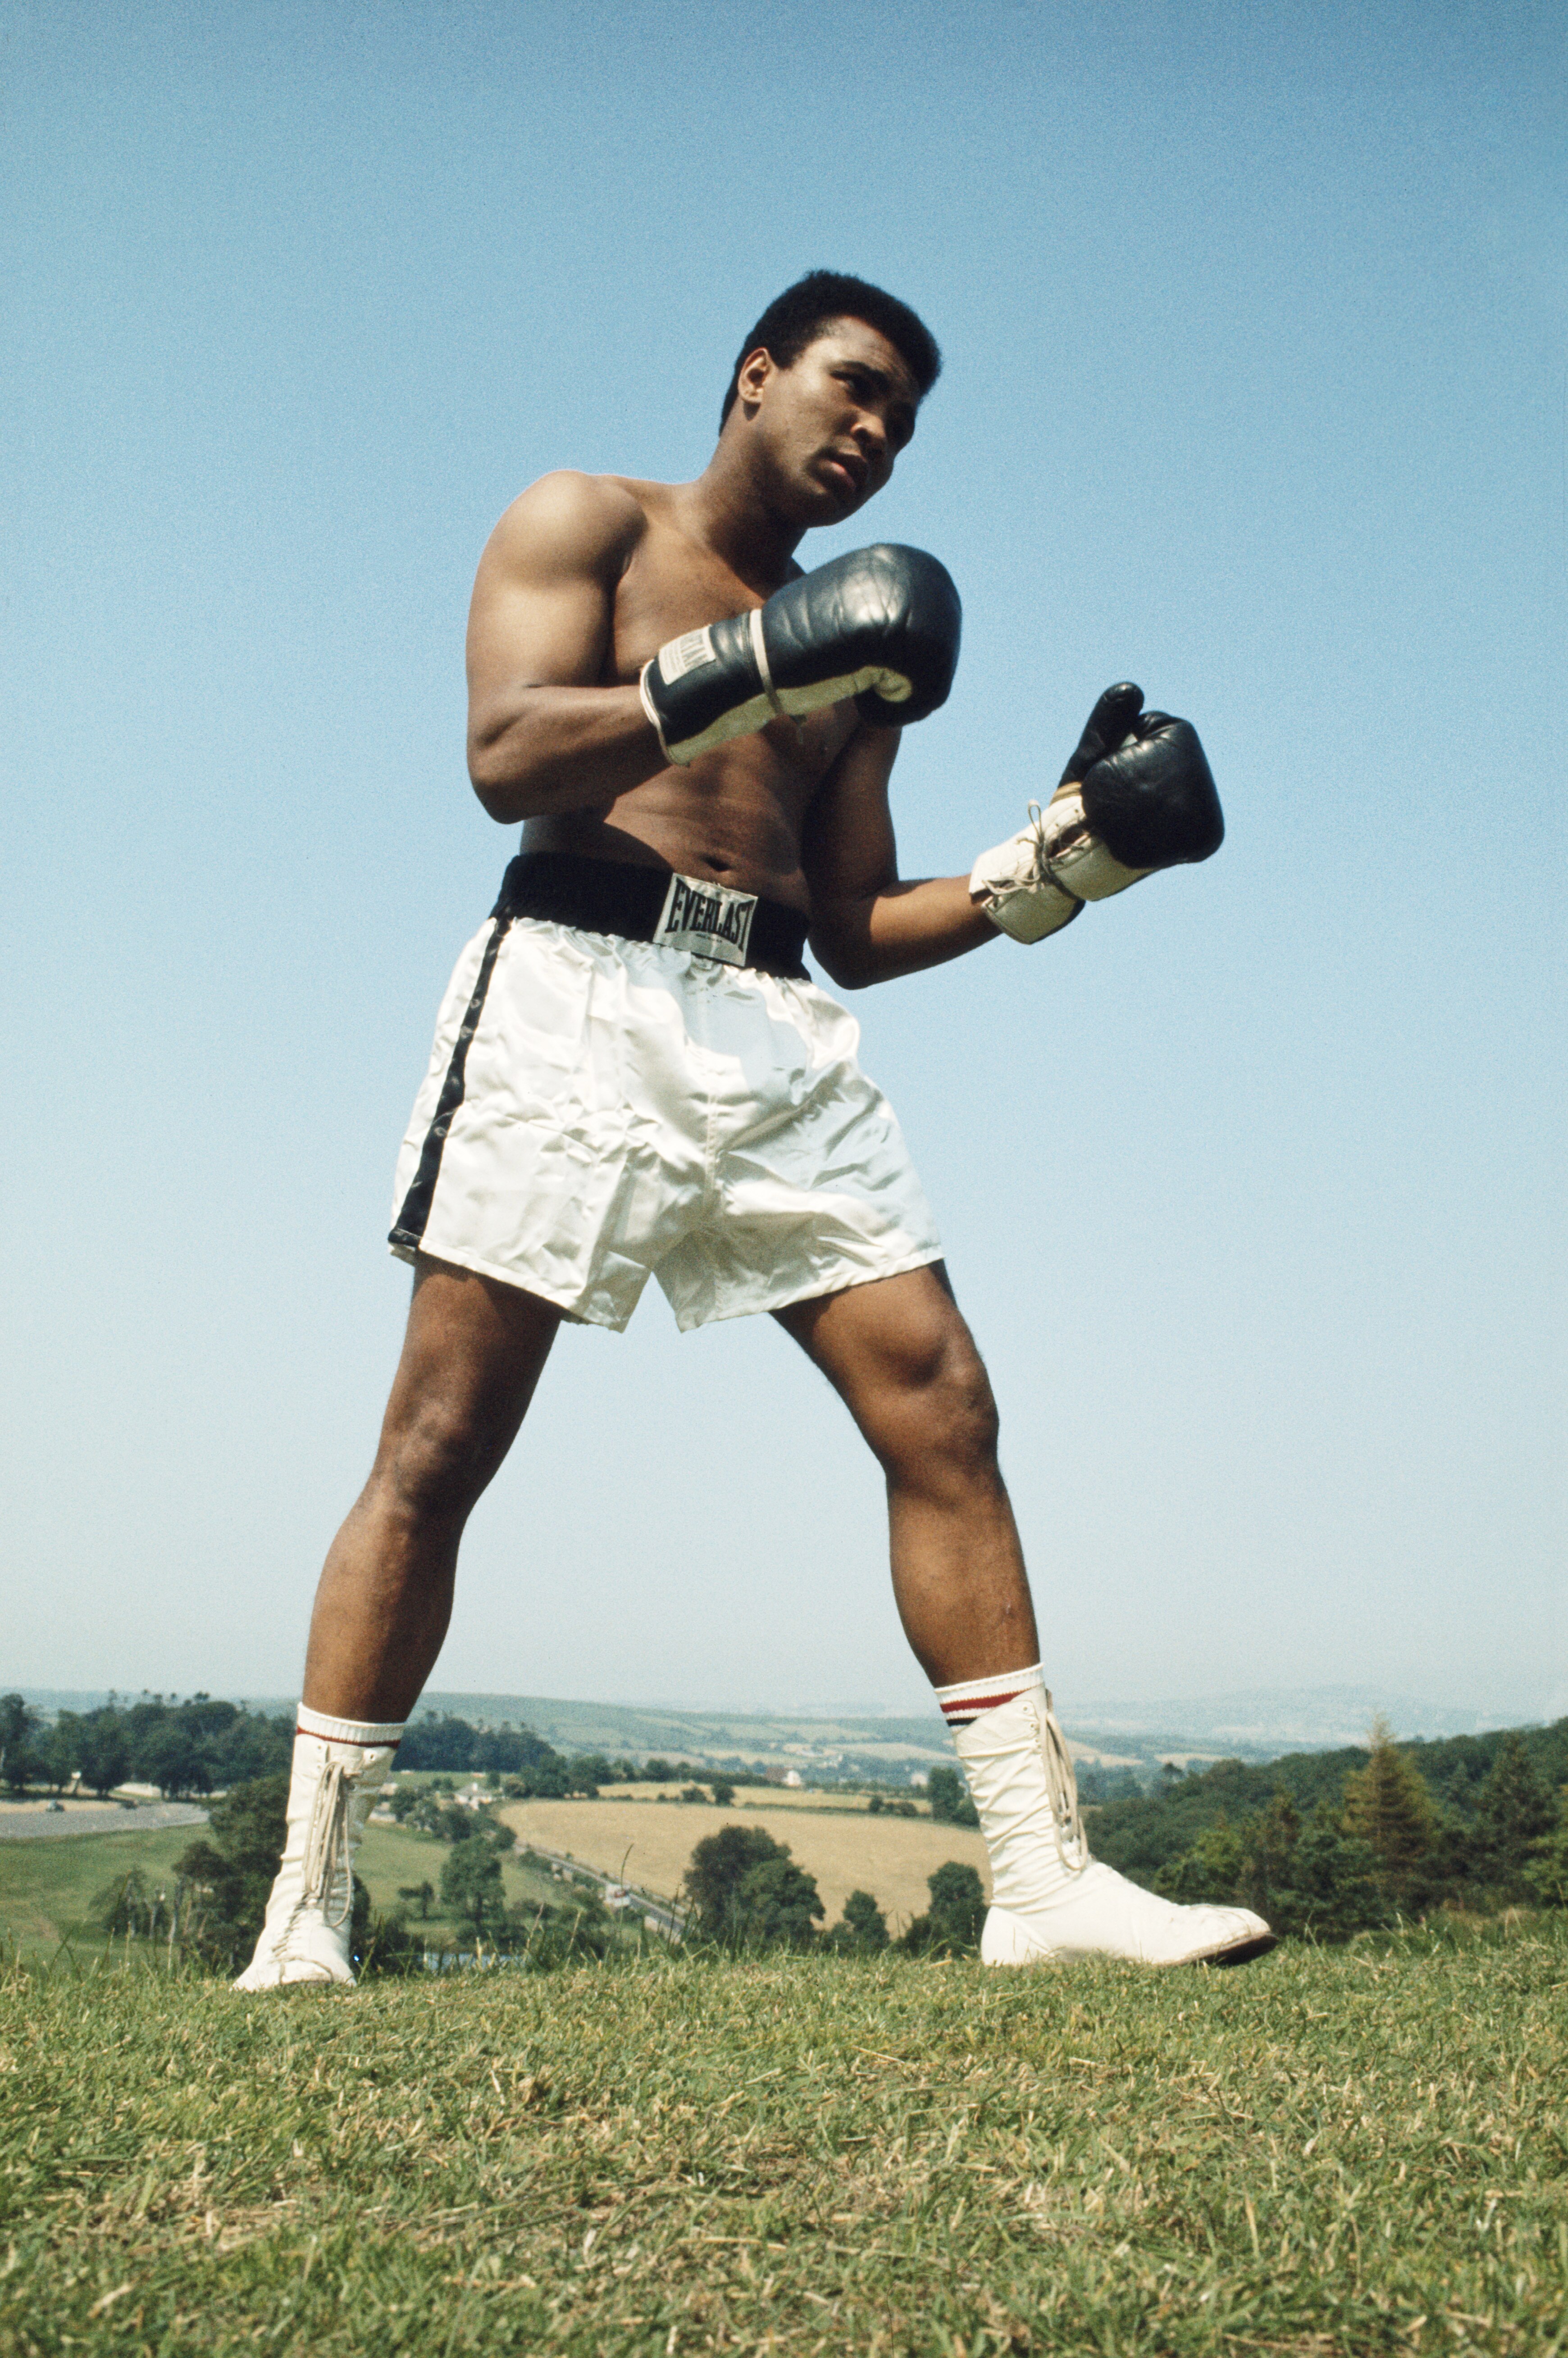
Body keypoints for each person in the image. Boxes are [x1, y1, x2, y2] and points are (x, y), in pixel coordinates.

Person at [237, 270, 1271, 1989]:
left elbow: (860, 917)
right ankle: (305, 1909)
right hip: (577, 987)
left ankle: (1039, 1882)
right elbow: (505, 756)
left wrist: (1071, 856)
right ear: (756, 374)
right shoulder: (588, 521)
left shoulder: (858, 658)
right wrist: (745, 661)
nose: (876, 433)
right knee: (439, 1442)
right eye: (854, 389)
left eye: (906, 423)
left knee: (944, 1397)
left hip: (775, 1020)